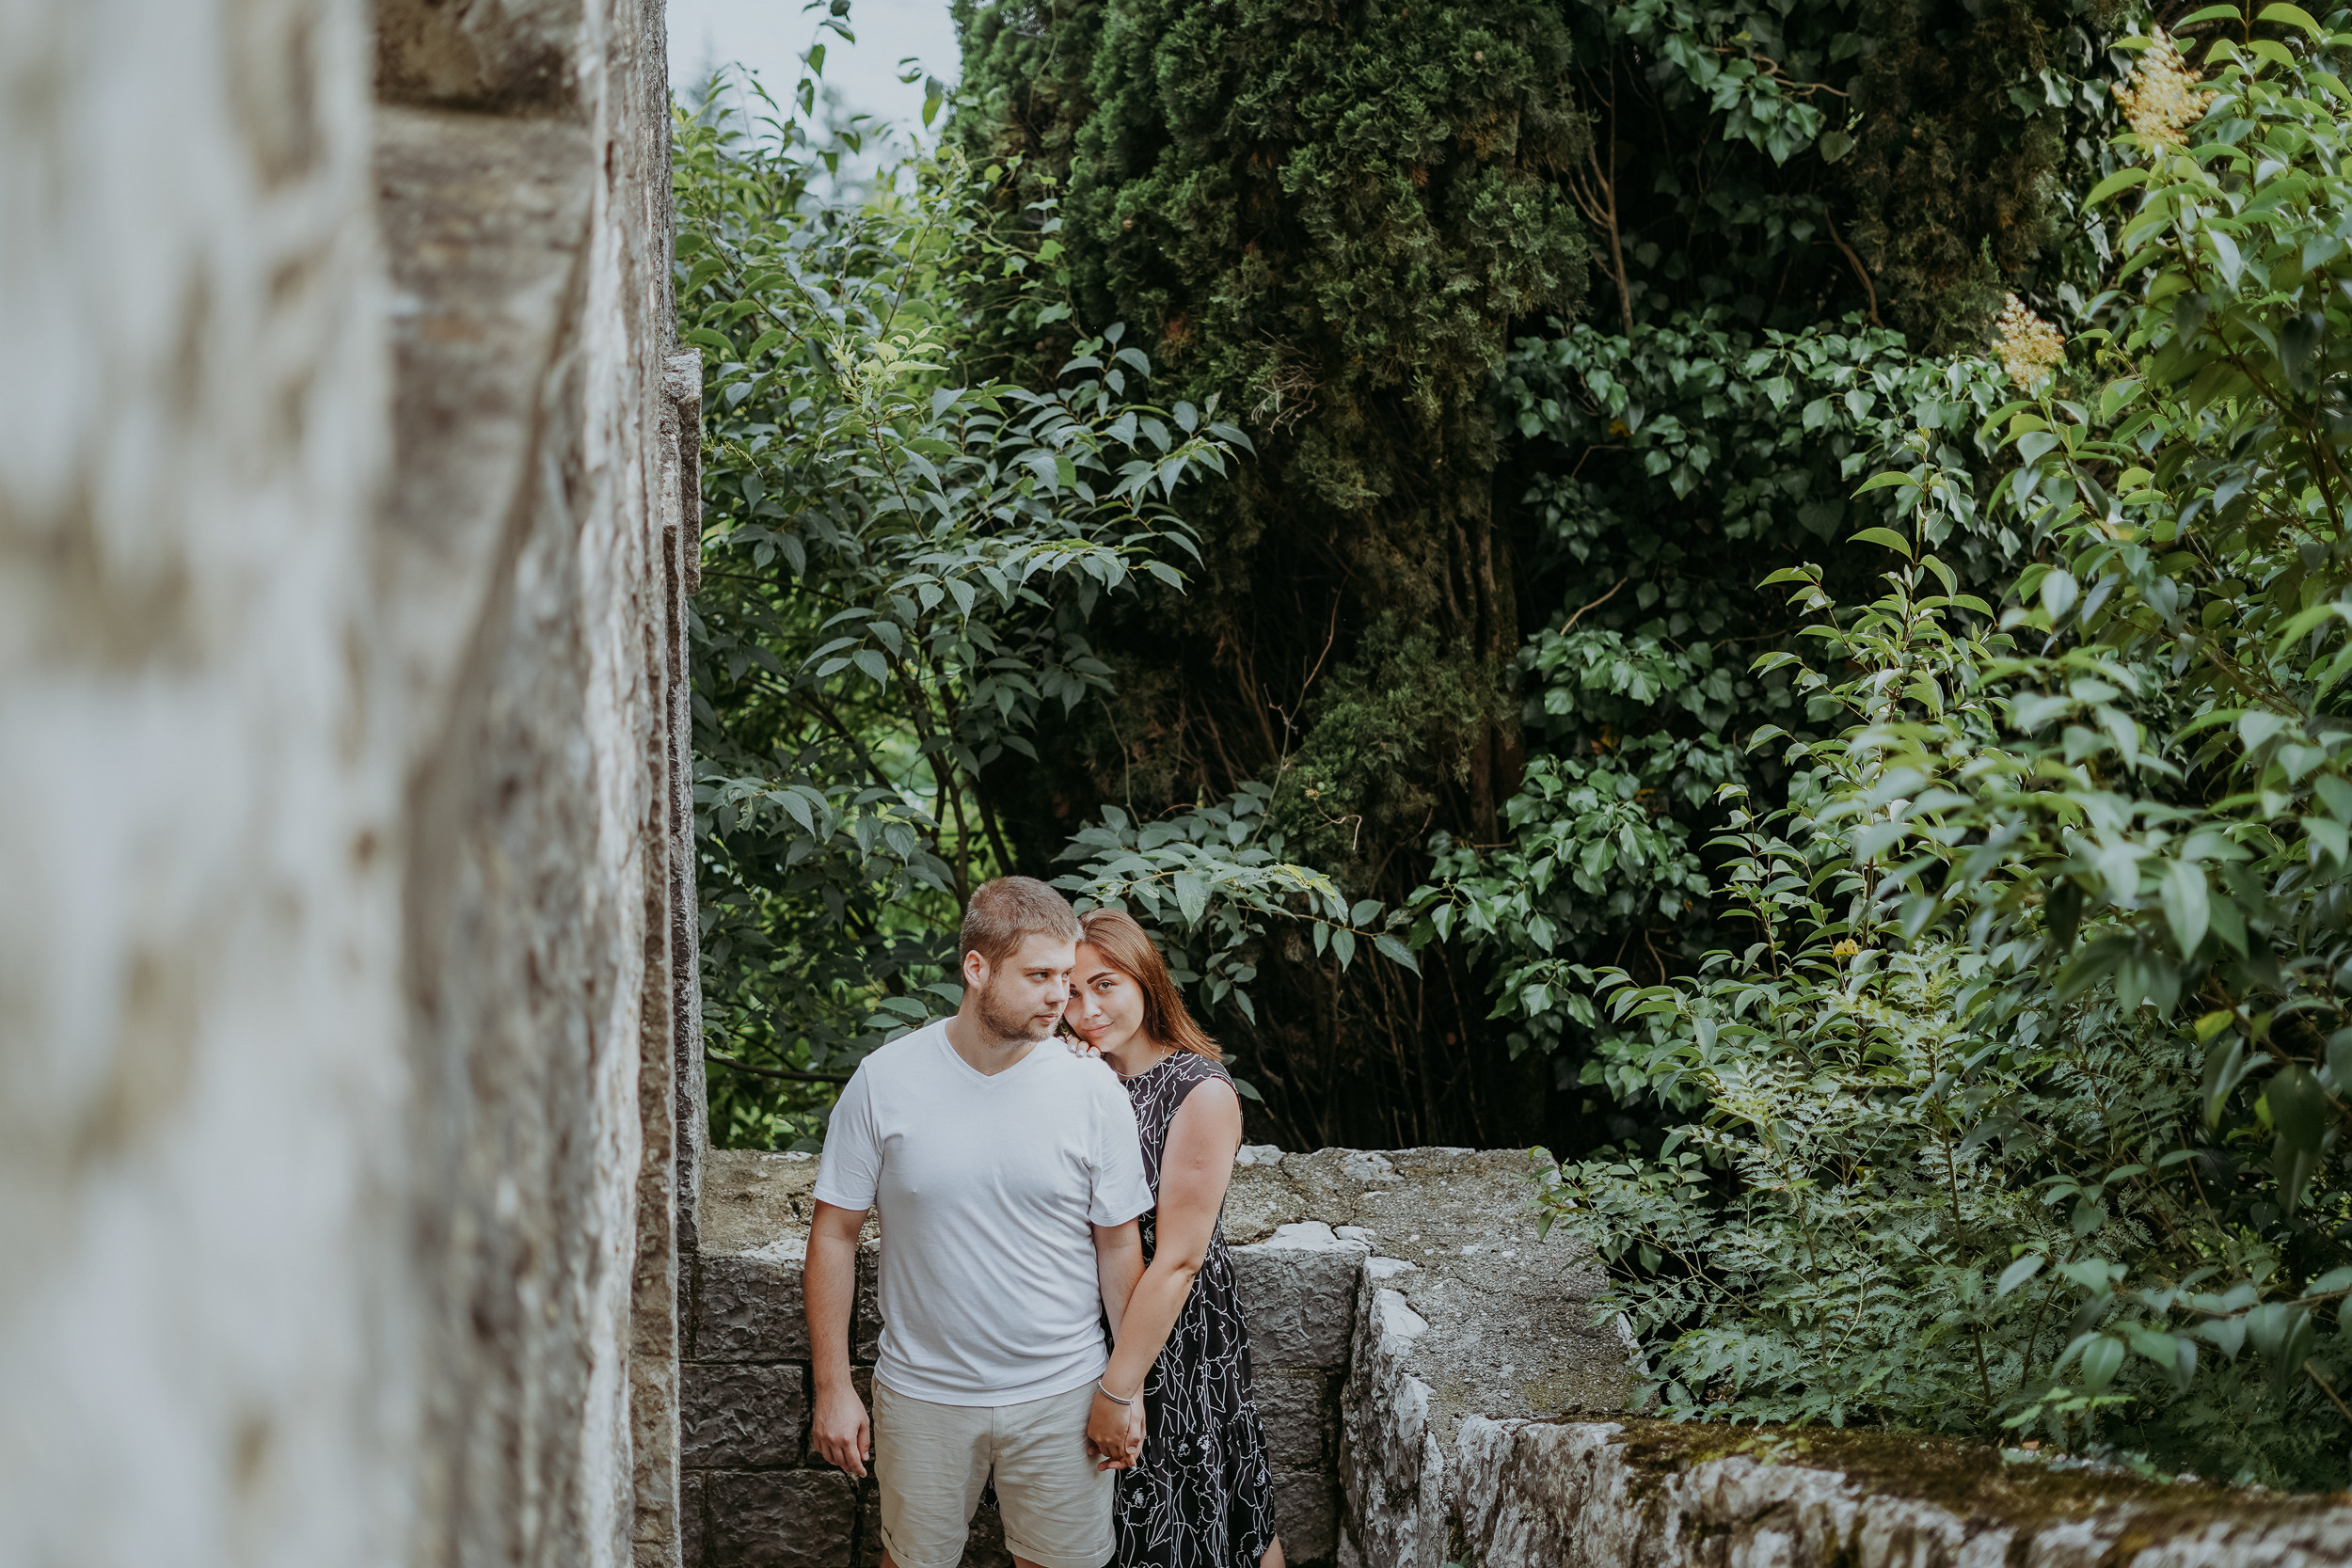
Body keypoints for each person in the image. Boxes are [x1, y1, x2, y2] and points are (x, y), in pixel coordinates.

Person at [806, 877, 1156, 1568]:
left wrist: (1126, 1386)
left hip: (1064, 1391)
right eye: (1040, 976)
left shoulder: (1093, 1089)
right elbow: (833, 1233)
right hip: (924, 1394)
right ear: (977, 969)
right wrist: (833, 1386)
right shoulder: (884, 1081)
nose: (1063, 995)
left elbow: (1119, 1246)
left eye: (1066, 973)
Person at [1064, 908, 1282, 1568]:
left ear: (1145, 978)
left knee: (1218, 1504)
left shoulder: (1200, 1090)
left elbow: (1181, 1256)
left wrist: (1119, 1387)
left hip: (1173, 1330)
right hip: (1093, 1319)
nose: (1087, 1009)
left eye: (1105, 984)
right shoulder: (1080, 1075)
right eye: (1071, 992)